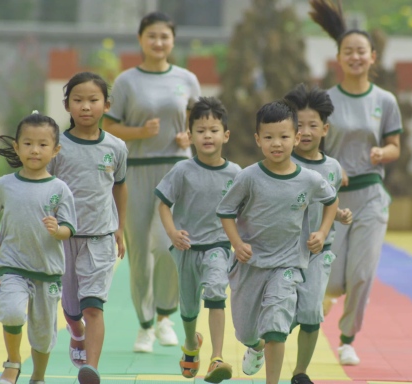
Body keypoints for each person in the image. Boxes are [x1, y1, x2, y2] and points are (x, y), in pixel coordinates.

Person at [217, 100, 339, 384]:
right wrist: (237, 243)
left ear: (296, 138)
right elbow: (225, 211)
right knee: (246, 332)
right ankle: (254, 347)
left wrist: (321, 232)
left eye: (284, 136)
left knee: (276, 327)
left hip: (287, 265)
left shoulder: (309, 179)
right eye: (269, 137)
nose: (277, 143)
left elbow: (331, 201)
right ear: (258, 139)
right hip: (251, 265)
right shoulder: (248, 177)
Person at [309, 0, 402, 365]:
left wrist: (384, 154)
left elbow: (395, 145)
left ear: (372, 57)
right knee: (332, 282)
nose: (355, 57)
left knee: (362, 274)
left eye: (361, 51)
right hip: (334, 199)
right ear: (339, 57)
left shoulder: (385, 101)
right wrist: (332, 168)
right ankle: (329, 298)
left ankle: (347, 339)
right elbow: (313, 148)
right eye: (348, 51)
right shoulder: (326, 101)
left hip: (372, 196)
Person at [102, 11, 201, 352]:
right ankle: (144, 325)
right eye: (152, 36)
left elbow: (198, 121)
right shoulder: (127, 81)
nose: (159, 42)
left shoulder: (187, 78)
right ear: (141, 40)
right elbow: (110, 127)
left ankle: (164, 317)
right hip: (138, 171)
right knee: (140, 252)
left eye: (165, 36)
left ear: (172, 41)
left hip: (175, 171)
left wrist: (191, 136)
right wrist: (140, 133)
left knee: (168, 245)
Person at [0, 112, 77, 384]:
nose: (35, 150)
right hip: (12, 265)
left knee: (44, 334)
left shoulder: (60, 189)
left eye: (43, 144)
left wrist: (57, 229)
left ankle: (38, 376)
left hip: (47, 270)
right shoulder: (4, 185)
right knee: (11, 311)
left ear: (55, 150)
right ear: (17, 147)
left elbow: (70, 228)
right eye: (28, 143)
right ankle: (12, 362)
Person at [47, 72, 128, 384]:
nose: (85, 107)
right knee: (71, 308)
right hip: (63, 239)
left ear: (105, 105)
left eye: (93, 100)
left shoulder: (117, 148)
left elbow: (120, 186)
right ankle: (75, 331)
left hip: (101, 238)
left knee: (93, 305)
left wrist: (120, 227)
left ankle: (90, 368)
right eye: (78, 100)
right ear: (67, 105)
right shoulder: (57, 147)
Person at [155, 97, 239, 383]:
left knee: (216, 293)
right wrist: (172, 233)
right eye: (200, 130)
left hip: (218, 246)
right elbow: (163, 204)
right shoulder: (182, 171)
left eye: (214, 130)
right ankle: (191, 344)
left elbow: (248, 211)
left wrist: (241, 242)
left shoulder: (237, 174)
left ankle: (217, 357)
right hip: (187, 248)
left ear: (225, 135)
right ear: (190, 136)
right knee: (189, 307)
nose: (207, 136)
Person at [284, 84, 353, 384]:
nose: (306, 132)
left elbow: (328, 201)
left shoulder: (333, 168)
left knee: (311, 310)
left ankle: (300, 373)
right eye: (299, 126)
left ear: (325, 129)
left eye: (313, 125)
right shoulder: (281, 162)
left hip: (318, 251)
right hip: (282, 251)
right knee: (280, 311)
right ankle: (260, 344)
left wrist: (338, 214)